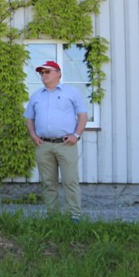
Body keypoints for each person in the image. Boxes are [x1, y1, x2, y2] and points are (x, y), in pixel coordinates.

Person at [24, 60, 88, 221]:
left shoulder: (71, 92)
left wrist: (76, 135)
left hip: (66, 144)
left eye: (47, 71)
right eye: (41, 72)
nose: (44, 75)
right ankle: (52, 216)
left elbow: (82, 115)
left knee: (70, 181)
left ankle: (74, 216)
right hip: (43, 145)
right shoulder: (36, 95)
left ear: (58, 73)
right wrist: (33, 135)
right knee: (48, 183)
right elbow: (29, 118)